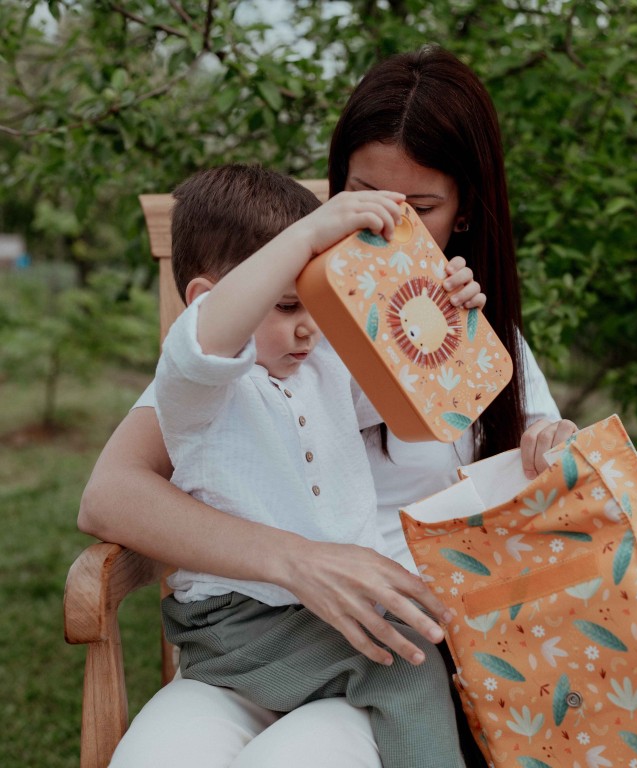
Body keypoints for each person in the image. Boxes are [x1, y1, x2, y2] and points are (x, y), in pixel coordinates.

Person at [80, 46, 576, 767]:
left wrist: (443, 335)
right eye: (364, 196)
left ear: (467, 210)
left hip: (395, 660)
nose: (385, 228)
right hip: (260, 633)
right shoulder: (279, 328)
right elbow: (113, 492)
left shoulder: (467, 335)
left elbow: (473, 446)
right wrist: (299, 562)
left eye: (421, 209)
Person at [153, 162, 478, 768]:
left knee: (408, 649)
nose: (307, 328)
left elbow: (422, 387)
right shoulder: (199, 388)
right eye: (283, 305)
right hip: (239, 625)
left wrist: (446, 304)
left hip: (318, 619)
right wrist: (305, 236)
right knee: (406, 665)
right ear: (207, 300)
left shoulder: (323, 367)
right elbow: (202, 343)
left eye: (314, 306)